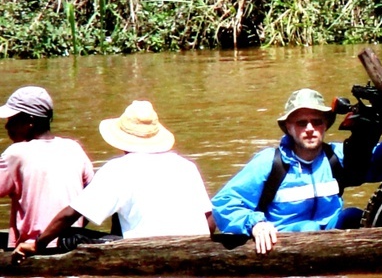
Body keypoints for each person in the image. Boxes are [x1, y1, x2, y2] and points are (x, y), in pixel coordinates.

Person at [12, 100, 213, 262]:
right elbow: (210, 221)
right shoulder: (186, 165)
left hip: (146, 250)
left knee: (68, 235)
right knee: (119, 216)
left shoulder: (119, 168)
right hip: (193, 246)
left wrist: (37, 244)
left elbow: (71, 214)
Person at [212, 88, 363, 254]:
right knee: (309, 227)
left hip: (331, 237)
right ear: (288, 127)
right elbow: (222, 203)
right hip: (283, 244)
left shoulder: (337, 156)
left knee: (353, 215)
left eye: (317, 122)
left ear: (325, 124)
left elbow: (379, 161)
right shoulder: (269, 163)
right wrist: (255, 224)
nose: (310, 128)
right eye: (301, 123)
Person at [0, 86, 94, 250]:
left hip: (31, 246)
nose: (7, 127)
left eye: (12, 121)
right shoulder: (73, 148)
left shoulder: (16, 153)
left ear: (30, 121)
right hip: (70, 242)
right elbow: (92, 198)